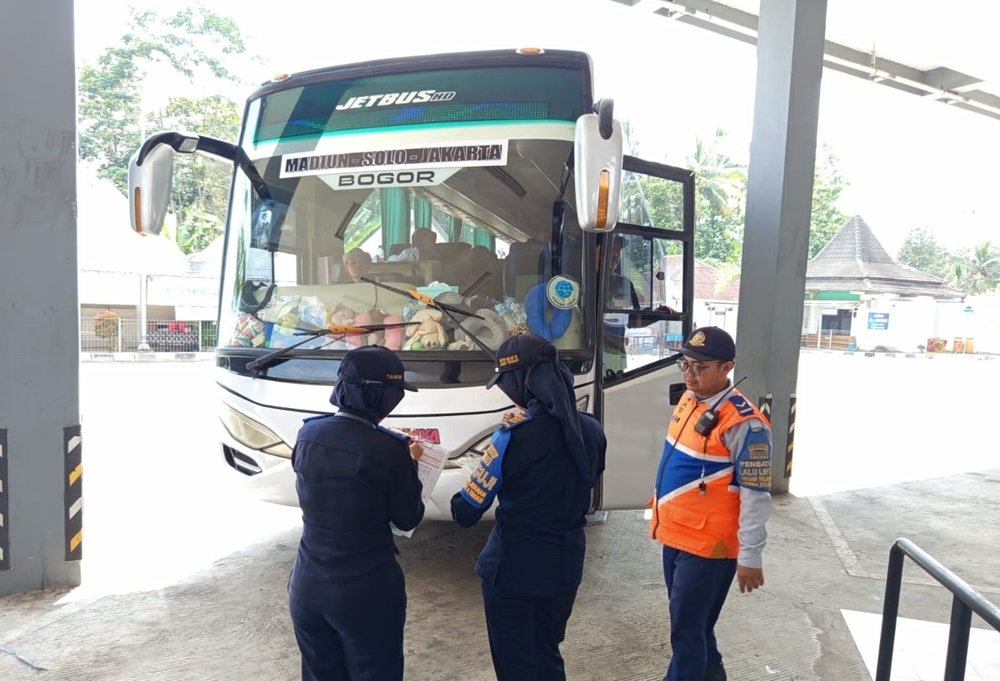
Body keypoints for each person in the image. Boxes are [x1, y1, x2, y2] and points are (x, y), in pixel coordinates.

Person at [450, 333, 608, 681]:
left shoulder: (512, 436)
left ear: (521, 383)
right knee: (547, 655)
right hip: (565, 567)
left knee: (516, 666)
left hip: (513, 571)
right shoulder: (591, 430)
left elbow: (465, 512)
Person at [287, 345, 425, 681]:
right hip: (366, 590)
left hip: (307, 584)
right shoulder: (390, 451)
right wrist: (412, 466)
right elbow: (408, 518)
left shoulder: (308, 433)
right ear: (383, 396)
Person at [648, 326, 772, 681]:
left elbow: (756, 495)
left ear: (726, 367)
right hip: (676, 535)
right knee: (695, 625)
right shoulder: (691, 400)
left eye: (699, 367)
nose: (689, 374)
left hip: (709, 547)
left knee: (686, 632)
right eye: (685, 364)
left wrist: (751, 555)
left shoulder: (746, 423)